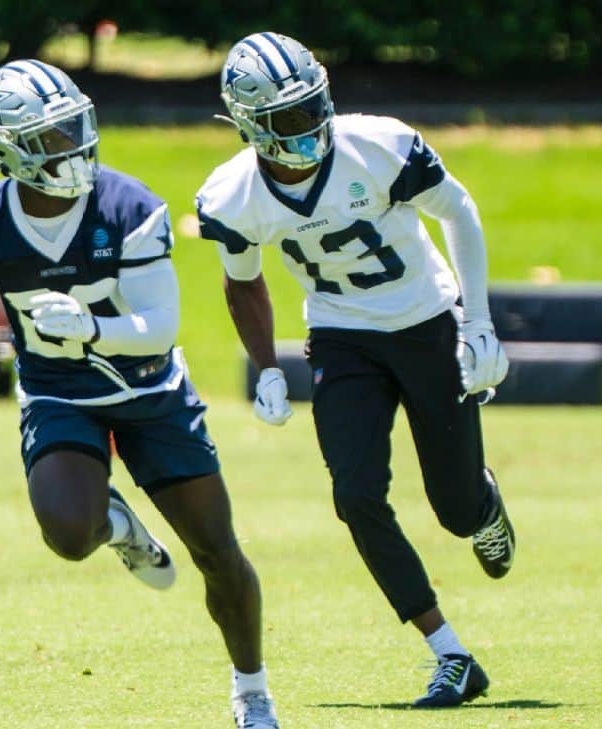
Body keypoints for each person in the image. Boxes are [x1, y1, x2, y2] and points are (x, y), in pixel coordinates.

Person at [0, 59, 280, 728]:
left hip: (151, 391)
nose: (70, 146)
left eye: (72, 127)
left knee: (217, 550)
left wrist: (92, 326)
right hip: (59, 393)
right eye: (49, 137)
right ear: (8, 149)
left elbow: (159, 327)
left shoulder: (128, 206)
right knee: (69, 534)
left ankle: (252, 692)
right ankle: (116, 524)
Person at [195, 32, 516, 708]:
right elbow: (242, 280)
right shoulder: (233, 195)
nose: (311, 127)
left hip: (426, 319)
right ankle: (450, 651)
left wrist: (478, 319)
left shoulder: (378, 145)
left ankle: (483, 502)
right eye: (289, 118)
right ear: (251, 126)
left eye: (314, 106)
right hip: (343, 336)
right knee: (356, 493)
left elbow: (458, 210)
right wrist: (267, 366)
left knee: (456, 512)